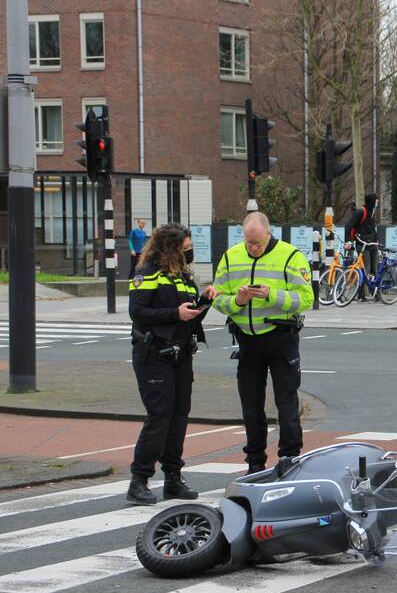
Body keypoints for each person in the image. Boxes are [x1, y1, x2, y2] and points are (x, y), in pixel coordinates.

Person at [208, 212, 314, 474]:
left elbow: (306, 298)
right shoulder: (231, 257)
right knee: (251, 403)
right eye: (248, 242)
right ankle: (254, 461)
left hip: (281, 338)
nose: (253, 248)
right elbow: (217, 297)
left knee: (286, 400)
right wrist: (238, 302)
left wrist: (271, 295)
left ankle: (289, 457)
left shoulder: (291, 257)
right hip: (247, 341)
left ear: (269, 233)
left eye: (257, 242)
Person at [127, 223, 207, 505]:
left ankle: (173, 477)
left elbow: (190, 315)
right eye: (184, 247)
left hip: (181, 353)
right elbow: (137, 311)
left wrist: (204, 302)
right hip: (154, 354)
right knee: (159, 415)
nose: (189, 252)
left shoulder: (184, 277)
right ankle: (139, 479)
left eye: (190, 247)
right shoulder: (147, 273)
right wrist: (175, 313)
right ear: (169, 249)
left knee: (179, 414)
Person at [345, 194, 379, 299]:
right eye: (376, 201)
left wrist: (377, 241)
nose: (377, 203)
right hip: (362, 244)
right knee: (366, 269)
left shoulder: (372, 212)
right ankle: (361, 293)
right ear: (372, 201)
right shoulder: (361, 212)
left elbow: (373, 229)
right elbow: (348, 225)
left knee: (374, 269)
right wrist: (348, 241)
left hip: (372, 243)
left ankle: (374, 293)